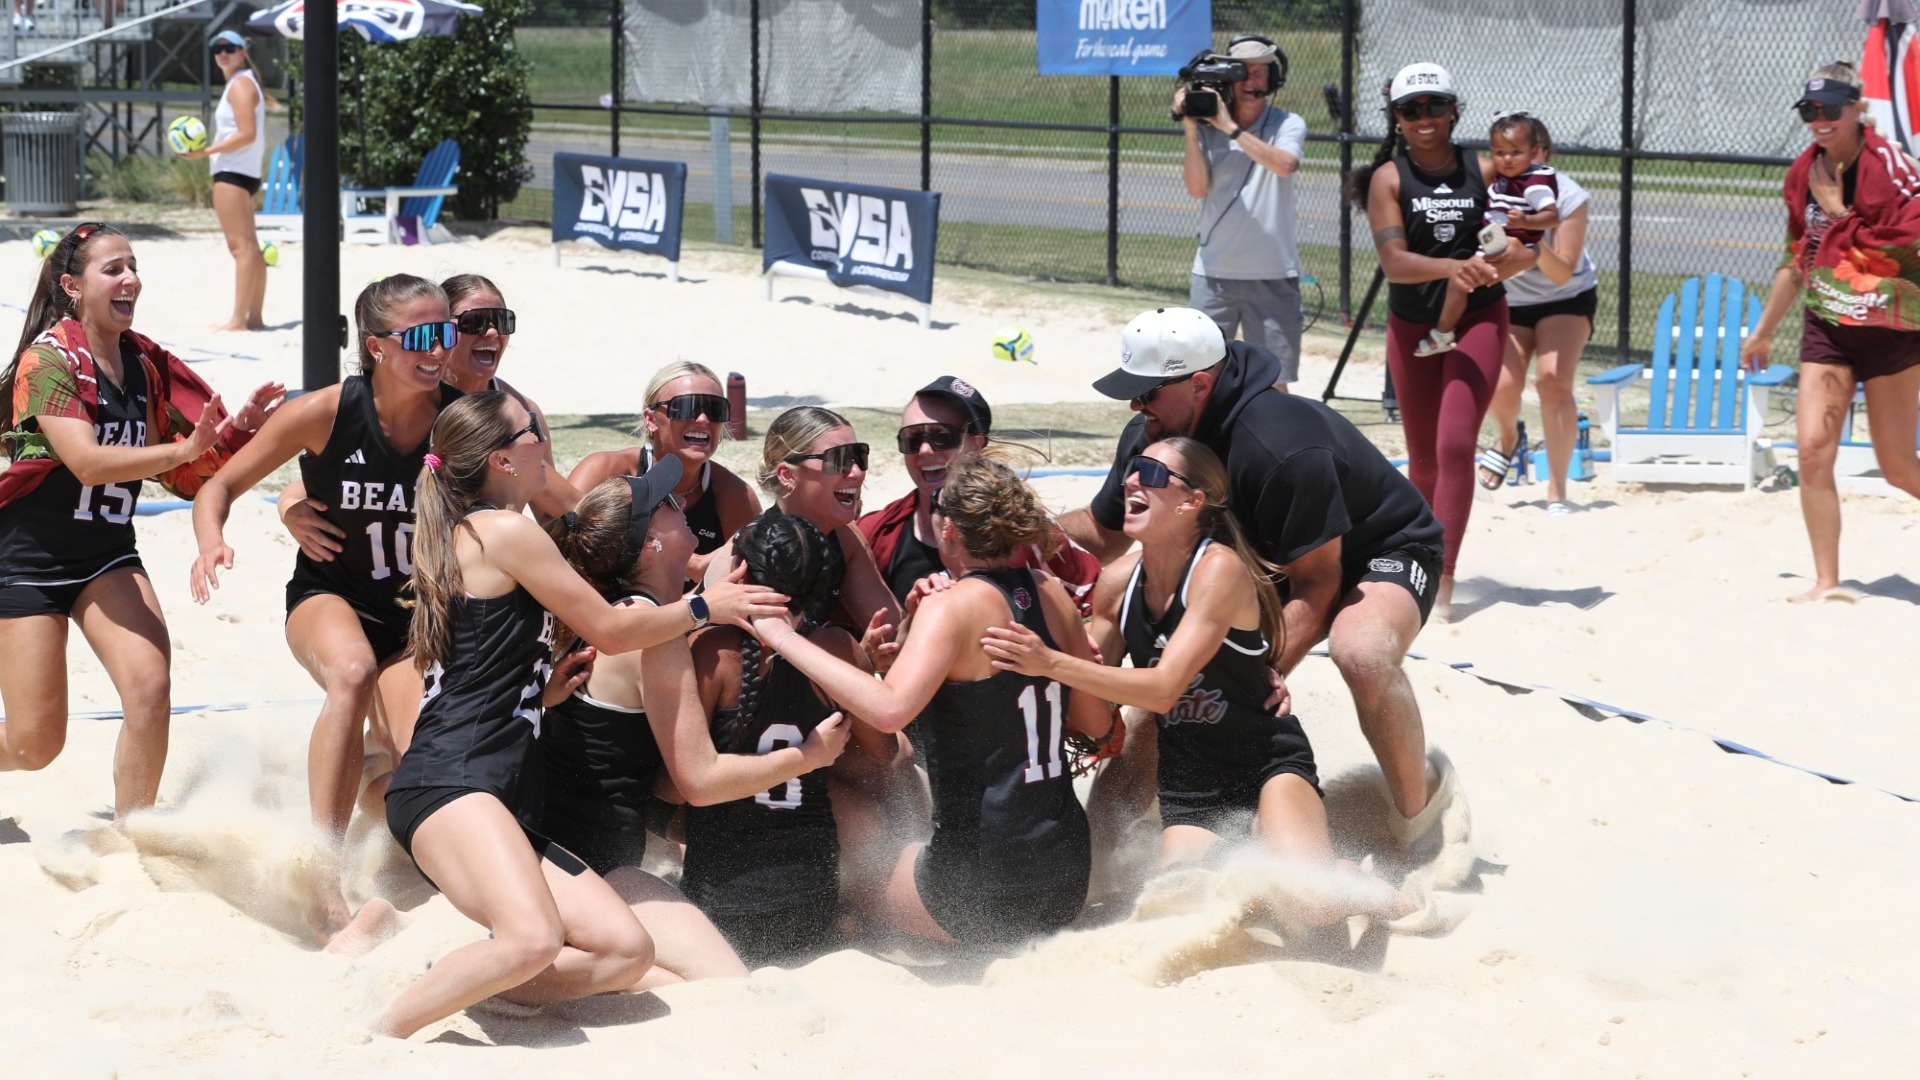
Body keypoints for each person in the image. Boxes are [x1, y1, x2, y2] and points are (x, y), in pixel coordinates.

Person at [372, 391, 788, 1039]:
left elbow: (484, 667)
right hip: (453, 782)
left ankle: (469, 980)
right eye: (533, 432)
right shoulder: (501, 531)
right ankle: (372, 1036)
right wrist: (708, 607)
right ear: (504, 460)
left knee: (625, 949)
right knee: (532, 938)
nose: (545, 439)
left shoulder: (494, 532)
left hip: (491, 791)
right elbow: (612, 630)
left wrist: (543, 697)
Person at [1061, 306, 1465, 885]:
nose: (1134, 407)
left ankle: (1417, 822)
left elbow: (1320, 579)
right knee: (1162, 705)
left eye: (1146, 393)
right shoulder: (1154, 440)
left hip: (1374, 551)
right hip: (1268, 560)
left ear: (1199, 383)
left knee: (1362, 653)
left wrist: (1260, 672)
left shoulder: (1278, 442)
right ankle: (1099, 866)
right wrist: (1026, 525)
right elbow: (1104, 534)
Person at [983, 438, 1416, 927]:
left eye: (1150, 474)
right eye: (1131, 470)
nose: (1129, 481)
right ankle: (1287, 858)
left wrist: (1050, 663)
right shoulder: (1118, 584)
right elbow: (1092, 690)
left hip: (1267, 764)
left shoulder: (1219, 570)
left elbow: (1164, 687)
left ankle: (1366, 888)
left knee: (1308, 907)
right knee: (1173, 913)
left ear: (1192, 501)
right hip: (1189, 785)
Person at [188, 274, 466, 948]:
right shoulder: (324, 412)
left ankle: (371, 786)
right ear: (374, 345)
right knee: (350, 671)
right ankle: (323, 872)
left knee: (417, 773)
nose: (440, 349)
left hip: (416, 621)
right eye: (423, 336)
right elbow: (218, 484)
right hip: (328, 597)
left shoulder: (460, 420)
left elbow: (525, 493)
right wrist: (212, 541)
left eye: (447, 333)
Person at [755, 456, 1118, 947]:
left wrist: (784, 636)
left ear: (948, 529)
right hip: (1065, 875)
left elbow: (888, 710)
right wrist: (910, 624)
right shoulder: (1049, 591)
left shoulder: (952, 606)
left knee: (858, 874)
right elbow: (1095, 722)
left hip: (981, 889)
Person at [0, 223, 280, 817]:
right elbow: (88, 462)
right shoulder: (46, 362)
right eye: (113, 270)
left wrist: (239, 432)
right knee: (34, 745)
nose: (130, 279)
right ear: (73, 286)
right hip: (26, 560)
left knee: (150, 690)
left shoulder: (144, 364)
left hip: (105, 553)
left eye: (133, 266)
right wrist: (179, 450)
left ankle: (136, 834)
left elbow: (191, 477)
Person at [540, 472, 758, 982]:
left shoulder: (621, 613)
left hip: (562, 848)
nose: (682, 499)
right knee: (723, 982)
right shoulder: (652, 633)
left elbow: (731, 554)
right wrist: (810, 754)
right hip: (594, 865)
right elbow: (698, 780)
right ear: (653, 543)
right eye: (666, 502)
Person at [1349, 61, 1536, 612]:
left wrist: (1495, 267)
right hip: (1414, 327)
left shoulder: (1484, 169)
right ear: (1397, 118)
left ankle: (1443, 579)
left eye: (1435, 106)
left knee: (1455, 445)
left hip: (1479, 319)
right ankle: (1416, 558)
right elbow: (1395, 261)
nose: (1425, 118)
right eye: (1412, 109)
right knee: (1423, 458)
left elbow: (1528, 250)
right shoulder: (1389, 177)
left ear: (1454, 110)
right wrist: (1452, 268)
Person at [677, 510, 898, 964]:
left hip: (722, 905)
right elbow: (885, 753)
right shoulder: (838, 648)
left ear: (739, 573)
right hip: (811, 901)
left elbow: (673, 783)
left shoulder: (711, 652)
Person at [1741, 63, 1920, 604]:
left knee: (1896, 467)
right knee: (1813, 450)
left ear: (1856, 109)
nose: (1819, 121)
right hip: (1829, 327)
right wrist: (1763, 331)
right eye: (1808, 111)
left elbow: (1904, 251)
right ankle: (1826, 581)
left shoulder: (1889, 166)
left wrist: (1840, 212)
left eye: (1829, 110)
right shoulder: (1803, 174)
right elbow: (1799, 258)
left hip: (1890, 327)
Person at [275, 273, 575, 556]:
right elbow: (354, 479)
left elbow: (559, 507)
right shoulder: (414, 399)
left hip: (472, 567)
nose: (493, 332)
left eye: (501, 320)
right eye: (475, 322)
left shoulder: (521, 414)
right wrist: (289, 504)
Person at [856, 375, 1100, 611]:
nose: (925, 449)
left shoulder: (1023, 526)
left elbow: (1096, 599)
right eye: (912, 439)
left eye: (942, 437)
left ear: (976, 443)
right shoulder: (876, 532)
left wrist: (1051, 652)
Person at [706, 407, 901, 658]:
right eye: (838, 459)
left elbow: (893, 637)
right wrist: (857, 660)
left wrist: (926, 603)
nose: (856, 472)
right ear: (787, 474)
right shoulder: (751, 554)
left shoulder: (845, 537)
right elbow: (745, 665)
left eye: (858, 456)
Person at [1176, 34, 1309, 391]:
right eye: (1244, 72)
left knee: (1274, 385)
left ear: (1273, 77)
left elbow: (1284, 165)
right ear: (1229, 79)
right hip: (1214, 274)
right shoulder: (1206, 127)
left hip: (1273, 273)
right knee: (1202, 381)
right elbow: (1196, 188)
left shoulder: (1288, 123)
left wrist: (1229, 128)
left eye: (1262, 72)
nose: (1253, 81)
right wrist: (1191, 127)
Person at [1482, 113, 1600, 513]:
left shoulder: (1567, 197)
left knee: (1552, 381)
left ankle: (1557, 490)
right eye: (1502, 153)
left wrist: (1530, 245)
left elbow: (1564, 270)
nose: (1511, 161)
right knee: (1500, 387)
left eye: (1522, 153)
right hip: (1513, 300)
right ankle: (1508, 438)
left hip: (1566, 296)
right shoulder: (1491, 191)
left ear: (1541, 155)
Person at [571, 360, 761, 584]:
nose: (702, 419)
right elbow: (560, 540)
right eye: (686, 407)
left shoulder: (734, 496)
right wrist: (693, 565)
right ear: (650, 419)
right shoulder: (605, 471)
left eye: (715, 409)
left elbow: (751, 584)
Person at [1415, 114, 1561, 359]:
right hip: (1494, 241)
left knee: (1459, 280)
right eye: (1500, 153)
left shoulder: (1534, 184)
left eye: (1516, 152)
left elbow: (1552, 216)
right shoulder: (1504, 177)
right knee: (1464, 278)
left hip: (1512, 246)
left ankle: (1443, 333)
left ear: (1534, 150)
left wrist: (1527, 221)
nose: (1508, 159)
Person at [182, 30, 267, 332]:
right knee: (251, 248)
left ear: (244, 51)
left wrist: (205, 151)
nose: (223, 53)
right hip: (244, 172)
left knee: (242, 249)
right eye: (218, 49)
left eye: (230, 47)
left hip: (233, 173)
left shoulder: (241, 84)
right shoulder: (243, 82)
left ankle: (238, 320)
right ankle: (254, 318)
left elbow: (247, 134)